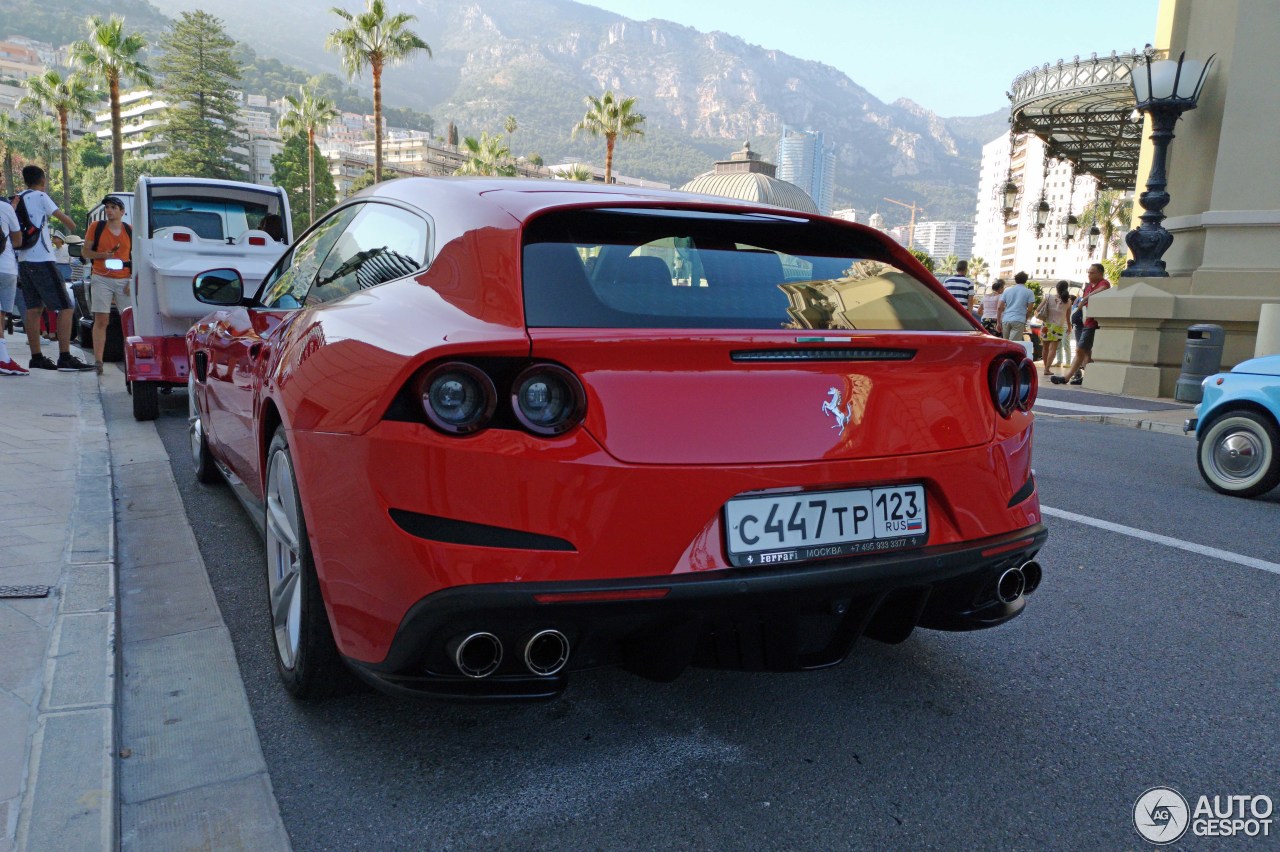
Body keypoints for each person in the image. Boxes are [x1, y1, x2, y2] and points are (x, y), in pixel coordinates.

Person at [14, 166, 91, 371]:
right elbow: (69, 223)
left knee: (33, 309)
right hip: (42, 259)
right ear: (43, 180)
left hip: (23, 260)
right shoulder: (41, 196)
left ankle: (36, 357)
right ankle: (65, 357)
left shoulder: (17, 198)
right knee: (66, 307)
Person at [81, 196, 133, 375]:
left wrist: (132, 279)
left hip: (125, 279)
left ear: (122, 212)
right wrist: (103, 255)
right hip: (101, 277)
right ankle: (98, 361)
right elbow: (85, 251)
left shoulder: (129, 230)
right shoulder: (96, 227)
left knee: (129, 321)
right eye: (107, 208)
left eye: (113, 207)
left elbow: (138, 258)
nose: (109, 210)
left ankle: (131, 360)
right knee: (101, 320)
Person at [1052, 263, 1111, 385]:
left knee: (1080, 350)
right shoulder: (1089, 286)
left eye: (1092, 272)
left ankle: (1067, 377)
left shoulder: (1103, 283)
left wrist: (1085, 299)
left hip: (1093, 323)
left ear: (1100, 273)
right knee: (1086, 352)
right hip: (1086, 321)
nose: (1089, 275)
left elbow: (1103, 289)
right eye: (1088, 272)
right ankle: (1087, 377)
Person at [0, 193, 26, 375]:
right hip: (5, 267)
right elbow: (18, 241)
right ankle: (3, 358)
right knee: (1, 315)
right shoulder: (6, 208)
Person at [1034, 280, 1073, 377]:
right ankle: (1047, 369)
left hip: (1046, 326)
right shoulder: (1068, 301)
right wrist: (1069, 327)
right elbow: (1068, 317)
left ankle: (1045, 367)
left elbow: (1037, 310)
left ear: (1056, 288)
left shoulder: (1048, 297)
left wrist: (1040, 317)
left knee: (1045, 349)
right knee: (1053, 350)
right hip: (1058, 327)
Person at [999, 271, 1035, 345]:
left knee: (1005, 344)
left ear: (1016, 280)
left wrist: (998, 322)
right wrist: (1025, 319)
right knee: (1014, 344)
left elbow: (999, 307)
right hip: (1019, 319)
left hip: (1006, 319)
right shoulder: (1029, 292)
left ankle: (1005, 356)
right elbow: (1030, 309)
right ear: (1026, 280)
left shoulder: (1007, 291)